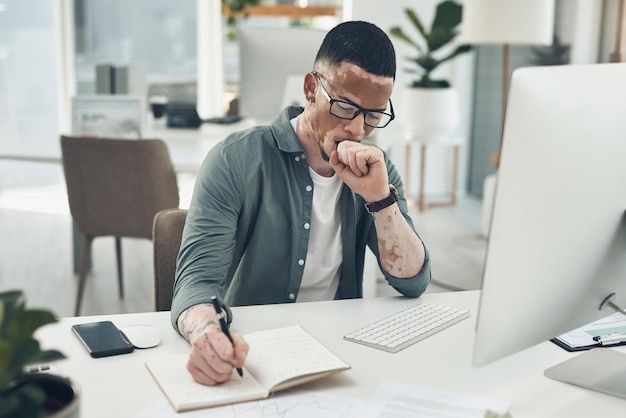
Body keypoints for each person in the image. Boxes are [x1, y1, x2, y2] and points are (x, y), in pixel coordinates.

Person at [171, 20, 431, 386]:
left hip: (339, 353)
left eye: (373, 115)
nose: (358, 130)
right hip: (253, 355)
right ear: (311, 88)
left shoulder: (377, 168)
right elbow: (196, 282)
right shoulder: (234, 160)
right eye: (344, 107)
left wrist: (379, 200)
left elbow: (413, 282)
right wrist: (206, 336)